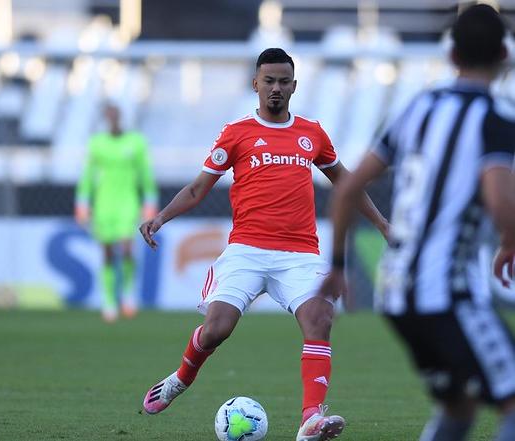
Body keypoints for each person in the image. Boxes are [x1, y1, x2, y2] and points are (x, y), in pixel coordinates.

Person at [139, 48, 389, 441]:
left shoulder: (312, 134)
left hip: (300, 254)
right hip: (247, 251)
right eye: (268, 81)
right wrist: (160, 217)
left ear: (294, 86)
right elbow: (197, 188)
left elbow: (347, 183)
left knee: (320, 320)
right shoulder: (236, 133)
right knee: (217, 329)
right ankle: (180, 380)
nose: (276, 88)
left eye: (283, 81)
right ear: (255, 83)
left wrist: (382, 224)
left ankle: (310, 418)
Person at [319, 4, 515, 441]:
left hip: (397, 295)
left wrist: (335, 264)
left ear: (452, 56)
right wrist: (510, 240)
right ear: (505, 54)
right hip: (449, 294)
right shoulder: (497, 122)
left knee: (458, 407)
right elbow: (501, 198)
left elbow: (347, 188)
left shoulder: (418, 108)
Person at [75, 103, 158, 322]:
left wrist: (150, 200)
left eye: (115, 115)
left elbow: (145, 174)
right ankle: (109, 300)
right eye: (108, 116)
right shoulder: (97, 144)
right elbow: (87, 176)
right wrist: (82, 203)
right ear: (105, 118)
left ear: (120, 117)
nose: (112, 119)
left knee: (128, 247)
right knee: (108, 253)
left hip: (128, 203)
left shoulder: (135, 142)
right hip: (104, 205)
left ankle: (129, 294)